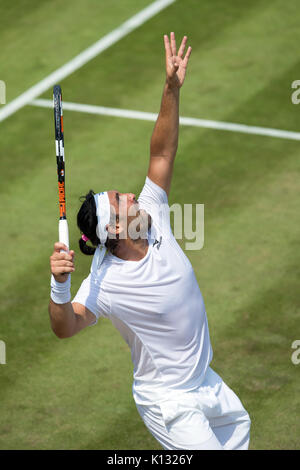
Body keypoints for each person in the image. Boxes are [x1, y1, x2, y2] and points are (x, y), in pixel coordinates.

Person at [49, 32, 251, 450]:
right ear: (117, 231)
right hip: (170, 402)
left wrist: (171, 89)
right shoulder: (104, 283)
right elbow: (66, 327)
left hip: (208, 385)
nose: (131, 195)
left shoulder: (152, 212)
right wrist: (60, 286)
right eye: (121, 201)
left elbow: (162, 153)